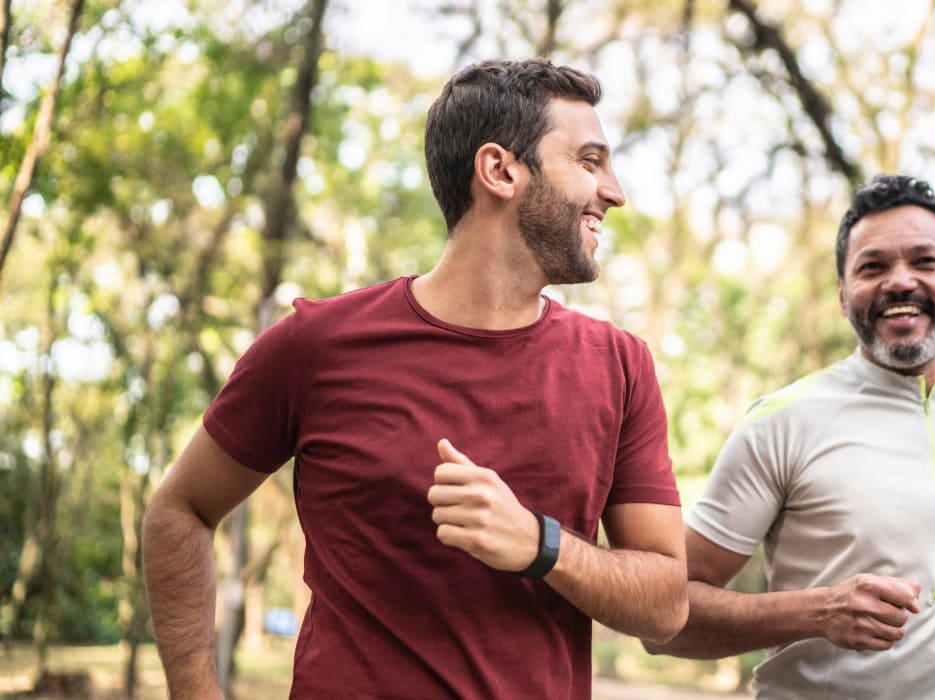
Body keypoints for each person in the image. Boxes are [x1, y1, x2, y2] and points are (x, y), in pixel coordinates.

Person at [142, 58, 688, 699]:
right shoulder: (317, 346)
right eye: (590, 162)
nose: (615, 192)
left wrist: (541, 545)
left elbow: (666, 603)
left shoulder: (621, 366)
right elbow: (179, 510)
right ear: (500, 170)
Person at [645, 174, 935, 698]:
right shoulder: (782, 422)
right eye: (873, 267)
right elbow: (664, 620)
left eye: (925, 261)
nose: (899, 282)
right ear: (844, 297)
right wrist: (815, 611)